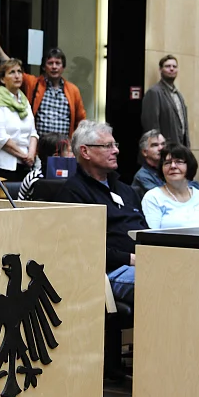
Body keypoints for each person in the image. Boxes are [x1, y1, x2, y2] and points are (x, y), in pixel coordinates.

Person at [55, 120, 147, 304]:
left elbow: (145, 231)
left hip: (144, 262)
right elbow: (83, 248)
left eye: (115, 145)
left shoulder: (126, 190)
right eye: (107, 146)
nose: (116, 151)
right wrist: (132, 258)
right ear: (85, 151)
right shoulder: (73, 192)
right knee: (162, 280)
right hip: (108, 271)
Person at [0, 31, 87, 137]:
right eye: (50, 63)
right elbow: (11, 66)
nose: (54, 67)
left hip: (63, 148)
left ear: (63, 67)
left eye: (58, 63)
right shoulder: (34, 83)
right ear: (43, 67)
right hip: (38, 146)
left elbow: (81, 121)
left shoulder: (73, 90)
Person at [141, 143, 199, 229]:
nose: (172, 166)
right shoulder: (153, 197)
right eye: (167, 163)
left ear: (189, 165)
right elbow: (151, 236)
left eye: (178, 162)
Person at [0, 59, 39, 181]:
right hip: (1, 165)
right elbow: (1, 139)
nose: (17, 76)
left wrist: (31, 155)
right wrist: (24, 156)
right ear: (3, 79)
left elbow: (33, 133)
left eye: (19, 72)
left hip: (25, 165)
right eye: (12, 72)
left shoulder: (24, 101)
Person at [131, 129, 199, 198]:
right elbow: (164, 198)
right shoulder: (142, 176)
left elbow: (196, 189)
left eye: (163, 144)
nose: (161, 148)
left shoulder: (172, 168)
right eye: (155, 145)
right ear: (144, 152)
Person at [141, 54, 189, 147]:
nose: (172, 69)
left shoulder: (179, 95)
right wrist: (158, 147)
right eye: (167, 66)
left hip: (180, 148)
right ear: (160, 70)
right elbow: (151, 126)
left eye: (174, 66)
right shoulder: (154, 92)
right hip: (163, 149)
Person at [18, 132, 72, 201]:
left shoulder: (72, 177)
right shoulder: (33, 178)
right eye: (70, 151)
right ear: (56, 157)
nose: (72, 156)